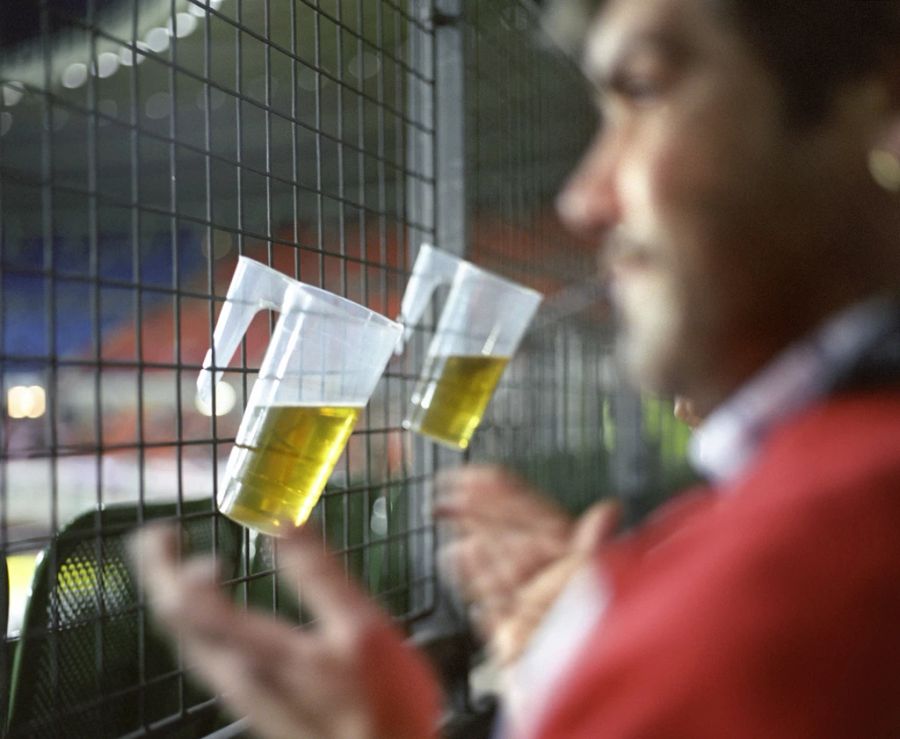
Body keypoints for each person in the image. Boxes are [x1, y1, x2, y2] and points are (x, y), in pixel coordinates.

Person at [130, 0, 900, 736]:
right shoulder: (783, 510)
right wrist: (584, 666)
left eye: (644, 87)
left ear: (882, 114)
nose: (583, 199)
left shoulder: (803, 565)